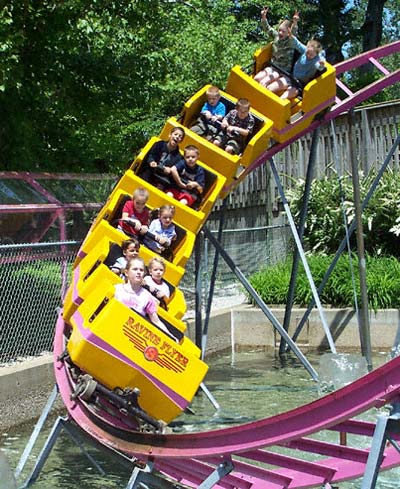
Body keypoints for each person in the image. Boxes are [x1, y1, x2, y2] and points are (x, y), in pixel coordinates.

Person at [114, 257, 176, 339]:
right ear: (126, 272)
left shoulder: (146, 296)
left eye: (141, 270)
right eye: (135, 269)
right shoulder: (116, 289)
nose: (138, 272)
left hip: (130, 335)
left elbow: (156, 321)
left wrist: (171, 337)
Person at [254, 7, 302, 88]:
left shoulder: (291, 41)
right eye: (279, 30)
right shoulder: (276, 36)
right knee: (257, 78)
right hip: (273, 67)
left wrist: (295, 22)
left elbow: (293, 33)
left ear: (288, 32)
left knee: (263, 83)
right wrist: (263, 17)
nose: (280, 33)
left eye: (283, 31)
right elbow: (267, 28)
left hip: (283, 71)